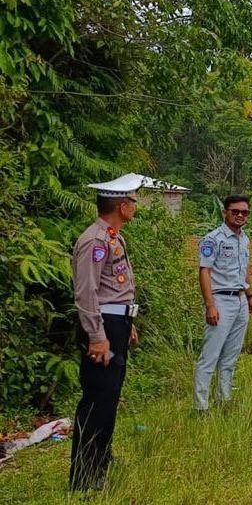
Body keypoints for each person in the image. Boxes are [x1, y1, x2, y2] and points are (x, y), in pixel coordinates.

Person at [70, 176, 142, 491]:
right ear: (121, 206)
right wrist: (97, 336)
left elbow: (115, 289)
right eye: (133, 201)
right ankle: (84, 478)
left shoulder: (113, 236)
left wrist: (129, 322)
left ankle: (101, 463)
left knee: (109, 400)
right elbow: (87, 294)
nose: (135, 206)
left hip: (116, 325)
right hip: (102, 328)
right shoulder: (94, 240)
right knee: (97, 400)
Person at [193, 194, 252, 412]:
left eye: (244, 212)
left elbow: (244, 270)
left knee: (230, 356)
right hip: (220, 300)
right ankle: (201, 407)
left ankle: (224, 400)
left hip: (239, 300)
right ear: (225, 212)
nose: (240, 215)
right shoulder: (213, 239)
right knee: (210, 356)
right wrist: (210, 304)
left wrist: (250, 296)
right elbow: (204, 271)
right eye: (235, 211)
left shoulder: (244, 239)